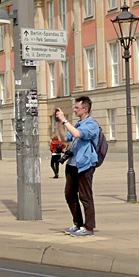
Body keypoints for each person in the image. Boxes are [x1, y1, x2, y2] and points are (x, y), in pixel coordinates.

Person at [54, 96, 100, 237]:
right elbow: (64, 137)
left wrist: (65, 120)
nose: (74, 110)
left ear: (85, 109)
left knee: (85, 196)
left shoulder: (91, 125)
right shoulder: (78, 124)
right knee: (69, 194)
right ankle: (77, 224)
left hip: (85, 165)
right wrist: (59, 123)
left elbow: (77, 134)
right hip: (72, 164)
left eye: (77, 108)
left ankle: (89, 227)